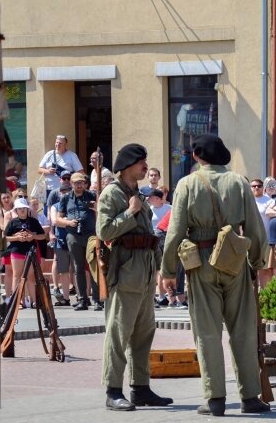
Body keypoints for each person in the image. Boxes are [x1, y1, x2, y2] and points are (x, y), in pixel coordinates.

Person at [161, 134, 270, 416]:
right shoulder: (239, 182)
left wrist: (169, 270)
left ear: (197, 156)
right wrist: (256, 262)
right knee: (243, 332)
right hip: (235, 260)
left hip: (201, 262)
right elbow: (256, 229)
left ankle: (215, 399)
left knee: (207, 333)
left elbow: (175, 232)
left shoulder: (187, 184)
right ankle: (250, 397)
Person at [97, 144, 172, 411]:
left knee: (143, 334)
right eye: (142, 162)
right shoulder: (112, 194)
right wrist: (129, 212)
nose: (145, 167)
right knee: (118, 333)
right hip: (125, 272)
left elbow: (151, 236)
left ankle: (140, 387)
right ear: (129, 165)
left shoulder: (136, 193)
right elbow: (105, 231)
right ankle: (113, 389)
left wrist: (163, 268)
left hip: (145, 271)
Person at [58, 172, 102, 311]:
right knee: (78, 268)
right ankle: (83, 299)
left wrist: (97, 207)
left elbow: (102, 213)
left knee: (94, 267)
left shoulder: (92, 195)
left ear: (85, 184)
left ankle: (97, 299)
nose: (79, 185)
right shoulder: (65, 198)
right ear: (71, 184)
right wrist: (68, 222)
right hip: (73, 235)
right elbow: (58, 219)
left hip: (90, 235)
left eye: (81, 182)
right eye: (76, 183)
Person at [3, 198, 47, 308]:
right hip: (17, 251)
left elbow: (42, 236)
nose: (22, 210)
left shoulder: (33, 221)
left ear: (27, 209)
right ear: (16, 211)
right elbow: (4, 238)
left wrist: (33, 236)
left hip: (30, 251)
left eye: (23, 208)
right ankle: (18, 302)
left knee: (31, 277)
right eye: (19, 209)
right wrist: (17, 238)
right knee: (17, 276)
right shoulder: (13, 222)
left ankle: (34, 301)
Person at [37, 135, 84, 201]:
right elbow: (39, 169)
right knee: (49, 210)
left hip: (66, 190)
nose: (58, 145)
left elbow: (81, 172)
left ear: (65, 144)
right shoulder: (49, 154)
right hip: (49, 189)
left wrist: (68, 176)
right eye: (57, 142)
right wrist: (48, 171)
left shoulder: (72, 156)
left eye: (60, 143)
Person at [49, 184, 73, 306]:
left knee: (79, 270)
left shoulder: (74, 205)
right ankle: (66, 298)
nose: (64, 193)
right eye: (62, 191)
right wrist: (70, 222)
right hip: (62, 241)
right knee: (64, 270)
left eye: (67, 191)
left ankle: (82, 298)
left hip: (76, 240)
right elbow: (54, 221)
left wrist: (63, 222)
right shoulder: (55, 206)